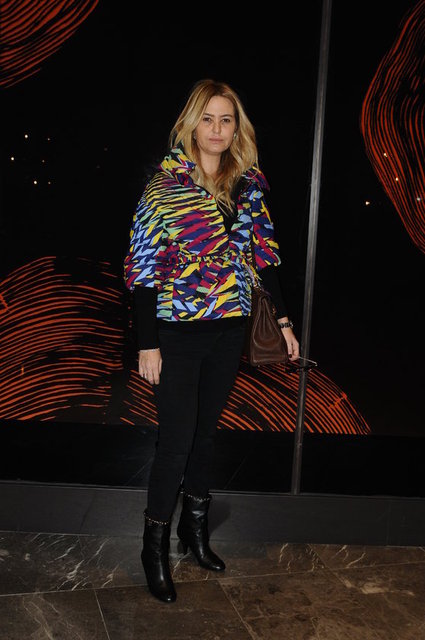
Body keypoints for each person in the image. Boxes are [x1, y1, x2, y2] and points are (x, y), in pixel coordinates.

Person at [124, 79, 299, 603]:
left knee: (205, 437)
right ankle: (153, 546)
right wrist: (147, 343)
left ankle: (194, 531)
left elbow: (264, 257)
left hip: (229, 328)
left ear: (236, 128)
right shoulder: (164, 188)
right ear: (191, 124)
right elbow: (143, 269)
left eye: (226, 120)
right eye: (208, 118)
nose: (217, 129)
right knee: (176, 441)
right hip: (177, 333)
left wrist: (284, 323)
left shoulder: (249, 185)